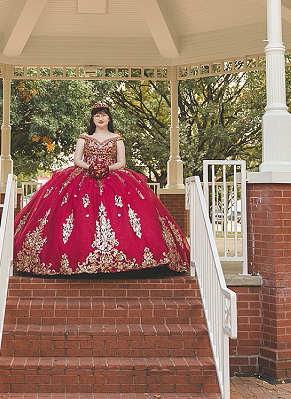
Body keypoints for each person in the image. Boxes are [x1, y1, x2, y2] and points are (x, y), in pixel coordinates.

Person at [12, 104, 189, 276]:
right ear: (92, 119)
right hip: (84, 175)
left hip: (113, 176)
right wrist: (91, 168)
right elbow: (77, 160)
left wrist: (106, 169)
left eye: (104, 115)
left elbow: (121, 162)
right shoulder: (84, 137)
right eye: (97, 115)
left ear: (109, 118)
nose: (100, 118)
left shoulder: (117, 139)